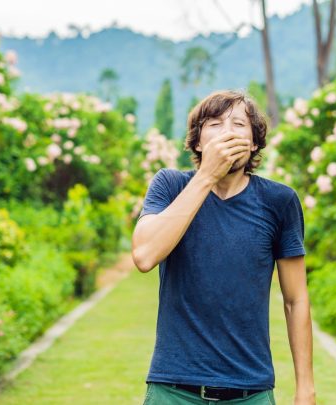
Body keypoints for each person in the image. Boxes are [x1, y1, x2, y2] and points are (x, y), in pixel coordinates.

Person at [132, 90, 315, 404]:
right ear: (199, 142)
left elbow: (295, 299)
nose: (227, 132)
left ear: (254, 142)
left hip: (251, 391)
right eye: (215, 124)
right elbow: (145, 255)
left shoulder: (279, 202)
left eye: (239, 124)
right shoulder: (170, 185)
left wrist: (305, 389)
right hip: (173, 389)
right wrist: (206, 176)